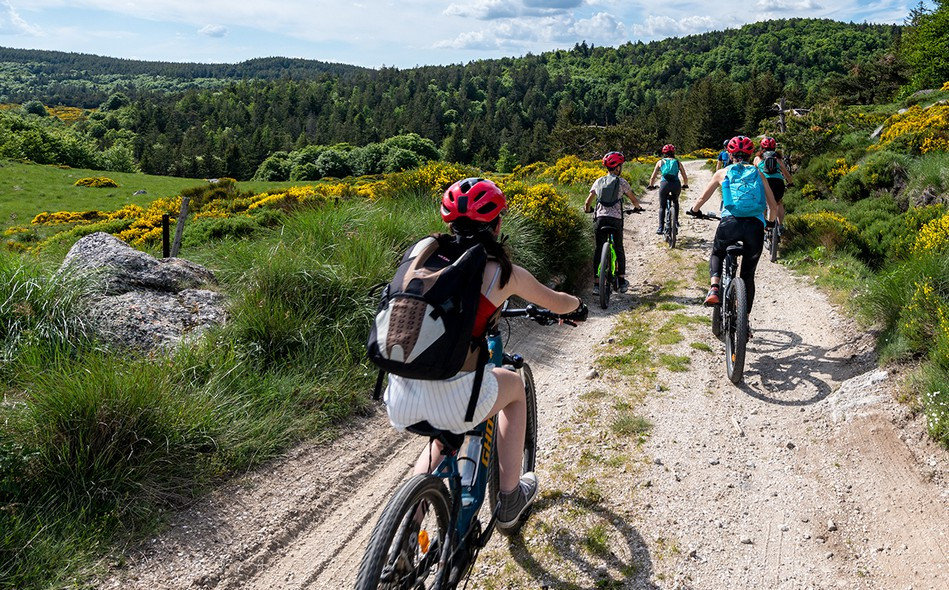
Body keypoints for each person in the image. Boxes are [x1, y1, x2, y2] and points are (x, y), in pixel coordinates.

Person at [383, 177, 588, 530]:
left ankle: (405, 528)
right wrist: (578, 307)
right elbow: (557, 302)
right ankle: (509, 498)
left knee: (441, 437)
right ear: (497, 224)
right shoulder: (502, 273)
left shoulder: (421, 252)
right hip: (456, 400)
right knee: (514, 390)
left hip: (399, 396)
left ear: (449, 221)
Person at [686, 136, 778, 332]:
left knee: (718, 252)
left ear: (730, 154)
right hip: (754, 228)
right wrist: (769, 224)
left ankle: (714, 288)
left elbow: (703, 197)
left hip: (730, 224)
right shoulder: (758, 173)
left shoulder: (722, 172)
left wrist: (694, 210)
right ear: (750, 155)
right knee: (748, 275)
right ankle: (744, 321)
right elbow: (772, 205)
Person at [583, 151, 643, 296]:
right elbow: (633, 199)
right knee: (619, 248)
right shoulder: (622, 182)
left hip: (600, 219)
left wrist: (588, 210)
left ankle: (597, 284)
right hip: (615, 220)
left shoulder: (598, 181)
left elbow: (587, 202)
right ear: (617, 168)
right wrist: (637, 207)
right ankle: (621, 281)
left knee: (598, 249)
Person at [647, 144, 689, 234]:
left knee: (662, 206)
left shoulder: (660, 162)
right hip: (676, 185)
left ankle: (660, 227)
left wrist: (651, 185)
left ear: (664, 153)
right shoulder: (677, 162)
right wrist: (685, 184)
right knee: (676, 202)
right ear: (673, 152)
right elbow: (684, 175)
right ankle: (676, 222)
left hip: (664, 184)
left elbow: (653, 176)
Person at [753, 136, 793, 228]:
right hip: (778, 182)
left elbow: (754, 173)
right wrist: (790, 182)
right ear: (774, 147)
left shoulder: (757, 158)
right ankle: (780, 225)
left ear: (762, 147)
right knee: (778, 202)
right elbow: (785, 172)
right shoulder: (777, 159)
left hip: (764, 181)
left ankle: (763, 225)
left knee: (763, 202)